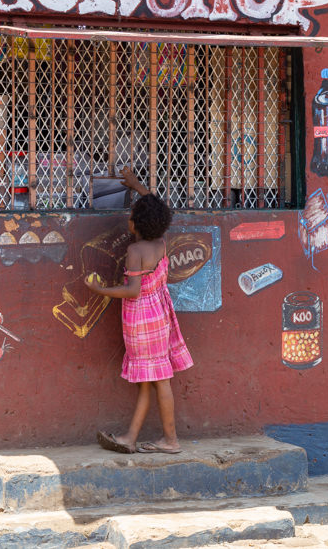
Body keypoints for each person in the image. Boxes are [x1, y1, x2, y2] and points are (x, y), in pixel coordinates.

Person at [85, 167, 193, 454]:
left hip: (141, 320)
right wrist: (136, 185)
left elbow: (132, 291)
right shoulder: (160, 242)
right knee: (151, 380)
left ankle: (171, 440)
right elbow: (155, 207)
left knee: (158, 380)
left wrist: (99, 291)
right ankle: (130, 438)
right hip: (160, 316)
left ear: (135, 224)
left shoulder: (135, 252)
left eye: (131, 216)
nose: (128, 219)